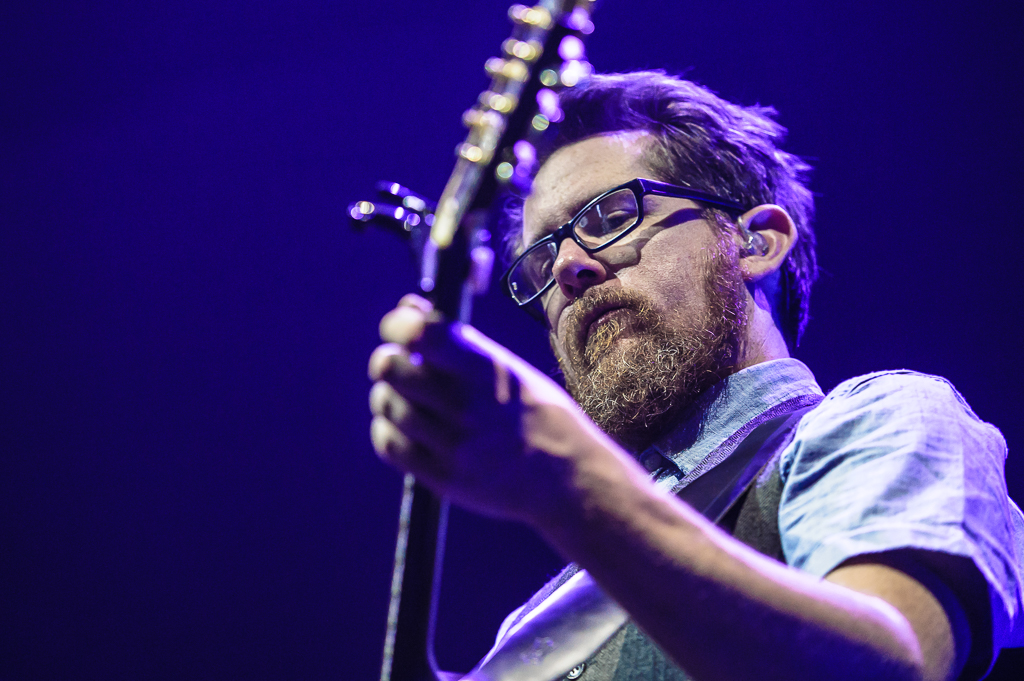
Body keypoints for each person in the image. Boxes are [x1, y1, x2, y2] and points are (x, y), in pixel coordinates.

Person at [366, 72, 1023, 680]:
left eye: (610, 217)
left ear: (756, 242)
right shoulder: (540, 620)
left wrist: (574, 484)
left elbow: (893, 666)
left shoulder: (879, 416)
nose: (567, 268)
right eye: (540, 262)